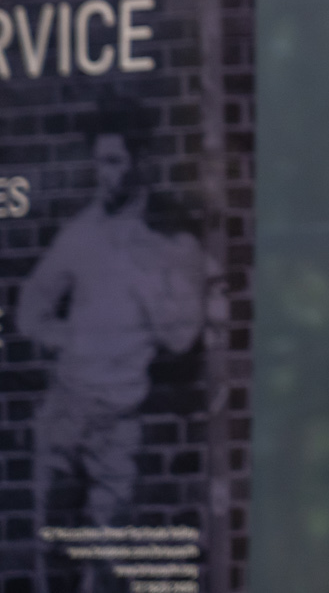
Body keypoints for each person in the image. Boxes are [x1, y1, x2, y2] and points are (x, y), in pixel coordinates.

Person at [23, 121, 205, 538]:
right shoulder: (80, 234)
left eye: (114, 161)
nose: (104, 174)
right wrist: (69, 340)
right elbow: (30, 309)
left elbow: (182, 338)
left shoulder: (172, 241)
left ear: (142, 162)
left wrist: (146, 274)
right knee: (52, 540)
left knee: (109, 550)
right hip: (65, 410)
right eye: (99, 163)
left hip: (119, 424)